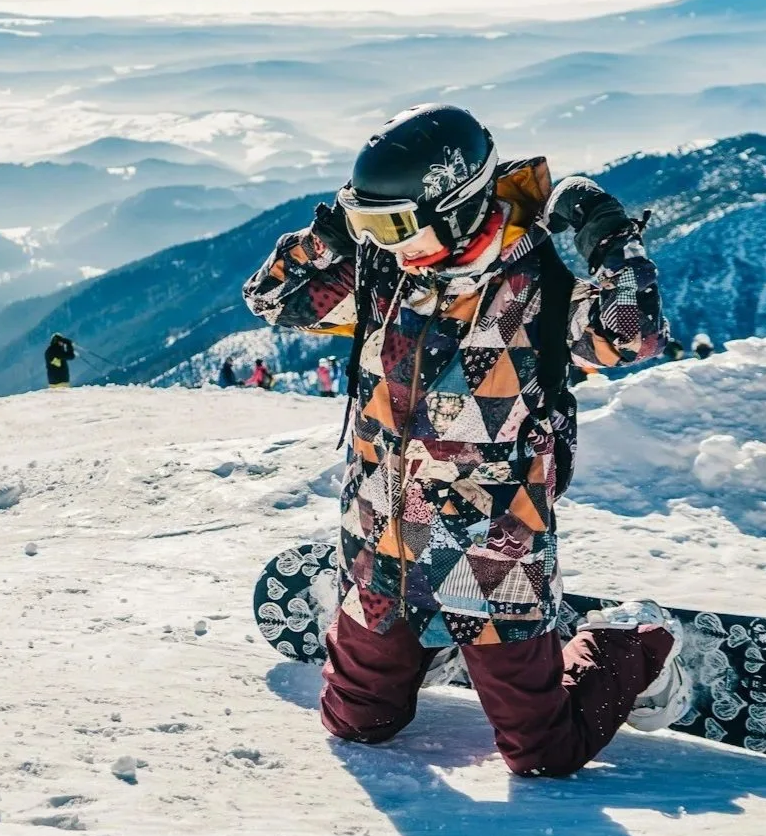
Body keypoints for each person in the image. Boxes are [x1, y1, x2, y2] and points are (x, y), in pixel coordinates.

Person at [243, 103, 683, 780]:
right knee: (358, 724)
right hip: (380, 536)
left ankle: (636, 638)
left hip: (489, 548)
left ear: (454, 208)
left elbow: (629, 333)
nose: (382, 242)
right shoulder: (384, 271)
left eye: (392, 225)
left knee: (543, 753)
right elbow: (271, 299)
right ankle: (438, 642)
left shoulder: (535, 283)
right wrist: (331, 235)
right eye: (369, 224)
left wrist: (609, 237)